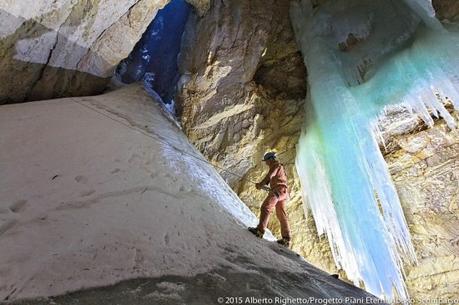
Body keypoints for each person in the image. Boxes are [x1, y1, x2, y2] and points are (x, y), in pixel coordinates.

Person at [248, 151, 291, 247]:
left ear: (271, 159)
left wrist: (261, 184)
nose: (266, 163)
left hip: (278, 191)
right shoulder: (281, 167)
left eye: (267, 161)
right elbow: (278, 181)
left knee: (266, 207)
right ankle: (286, 239)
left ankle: (259, 231)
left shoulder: (276, 165)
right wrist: (266, 186)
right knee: (281, 215)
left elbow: (269, 176)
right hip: (283, 192)